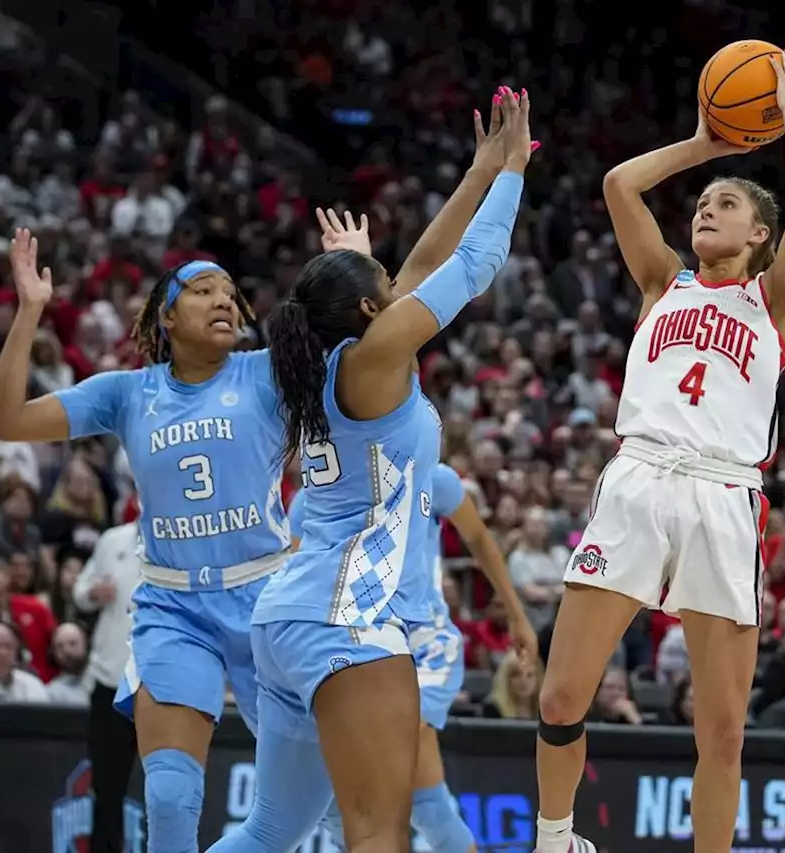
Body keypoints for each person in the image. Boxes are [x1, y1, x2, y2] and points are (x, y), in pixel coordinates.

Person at [207, 85, 532, 853]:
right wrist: (516, 170)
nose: (399, 287)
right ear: (365, 314)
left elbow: (421, 263)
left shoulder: (329, 361)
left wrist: (477, 172)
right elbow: (475, 262)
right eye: (382, 286)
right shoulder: (377, 358)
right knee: (378, 832)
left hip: (285, 620)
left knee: (272, 828)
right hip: (345, 619)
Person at [535, 54, 785, 853]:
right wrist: (705, 143)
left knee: (722, 730)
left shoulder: (777, 302)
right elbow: (621, 186)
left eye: (725, 202)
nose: (706, 206)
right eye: (701, 201)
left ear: (758, 235)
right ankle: (554, 839)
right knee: (561, 696)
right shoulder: (663, 282)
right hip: (638, 478)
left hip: (725, 495)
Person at [0, 234, 292, 852]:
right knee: (170, 800)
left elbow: (374, 348)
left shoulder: (269, 373)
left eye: (231, 293)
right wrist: (29, 312)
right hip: (176, 608)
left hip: (269, 601)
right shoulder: (127, 393)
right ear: (167, 316)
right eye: (203, 291)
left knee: (309, 798)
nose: (224, 301)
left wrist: (359, 268)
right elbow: (6, 421)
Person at [288, 460, 538, 853]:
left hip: (426, 645)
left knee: (381, 771)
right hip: (359, 648)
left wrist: (517, 614)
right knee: (429, 806)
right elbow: (294, 579)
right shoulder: (313, 497)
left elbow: (479, 538)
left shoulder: (431, 477)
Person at [72, 518, 142, 853]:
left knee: (166, 790)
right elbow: (80, 593)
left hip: (160, 684)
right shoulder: (113, 540)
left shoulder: (185, 544)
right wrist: (90, 593)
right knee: (107, 788)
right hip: (110, 679)